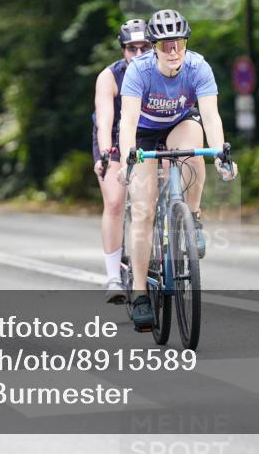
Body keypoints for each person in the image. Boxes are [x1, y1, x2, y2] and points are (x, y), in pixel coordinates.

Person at [117, 9, 238, 331]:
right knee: (143, 210)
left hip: (179, 123)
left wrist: (221, 155)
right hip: (143, 132)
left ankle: (193, 216)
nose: (173, 51)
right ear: (154, 46)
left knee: (195, 149)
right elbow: (127, 120)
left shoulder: (198, 67)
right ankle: (141, 293)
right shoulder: (139, 71)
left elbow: (211, 116)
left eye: (179, 43)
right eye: (166, 45)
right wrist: (129, 158)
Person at [93, 18, 149, 304]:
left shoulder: (158, 72)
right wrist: (105, 153)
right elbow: (105, 121)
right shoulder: (110, 76)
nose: (138, 55)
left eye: (145, 48)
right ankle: (114, 275)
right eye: (132, 49)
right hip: (114, 140)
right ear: (123, 51)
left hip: (147, 139)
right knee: (115, 201)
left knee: (156, 194)